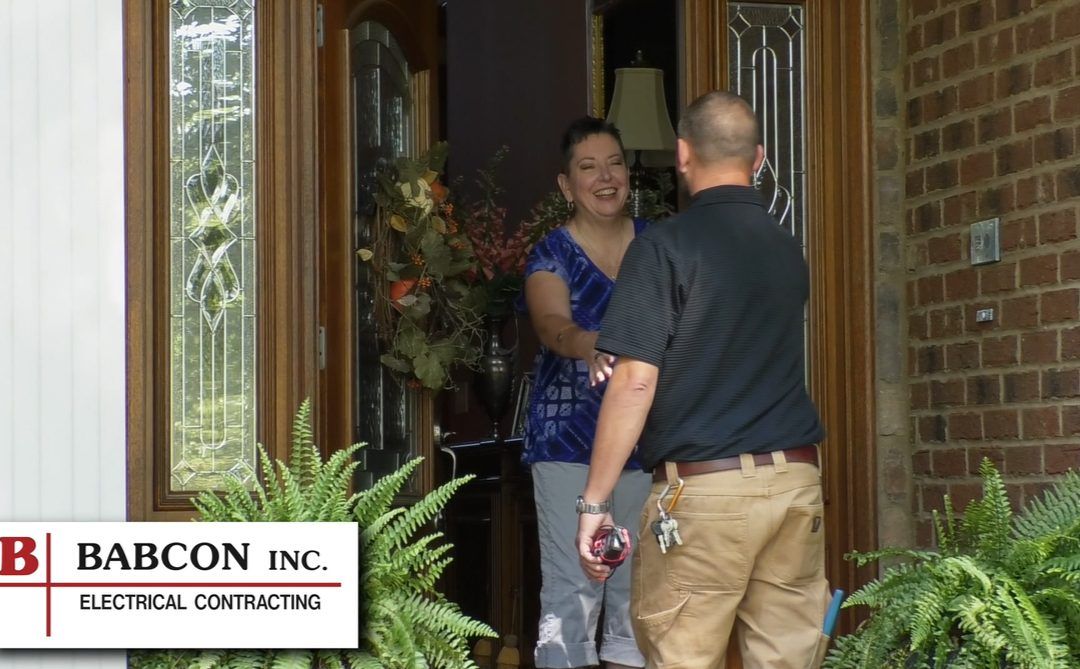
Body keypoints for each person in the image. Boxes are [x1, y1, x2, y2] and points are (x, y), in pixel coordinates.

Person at [574, 91, 830, 668]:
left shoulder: (663, 248)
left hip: (706, 495)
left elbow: (634, 382)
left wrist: (594, 502)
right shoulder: (787, 250)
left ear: (683, 154)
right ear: (759, 158)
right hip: (795, 485)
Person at [522, 116, 651, 669]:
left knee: (639, 597)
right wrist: (587, 342)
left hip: (648, 443)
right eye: (588, 167)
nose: (605, 177)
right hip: (566, 443)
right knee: (575, 590)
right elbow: (552, 324)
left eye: (615, 163)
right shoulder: (551, 252)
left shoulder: (657, 245)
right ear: (565, 185)